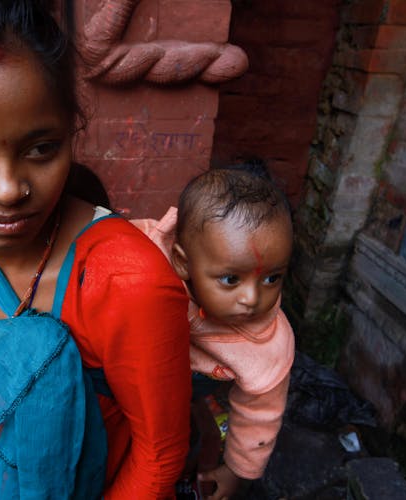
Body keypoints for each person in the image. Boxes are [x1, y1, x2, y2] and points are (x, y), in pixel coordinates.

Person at [0, 1, 191, 497]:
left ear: (71, 130)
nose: (9, 189)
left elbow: (159, 456)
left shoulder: (126, 282)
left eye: (40, 149)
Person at [133, 163, 295, 499]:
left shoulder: (268, 345)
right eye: (231, 279)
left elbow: (259, 414)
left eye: (271, 278)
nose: (252, 298)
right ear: (182, 262)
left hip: (198, 384)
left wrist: (237, 470)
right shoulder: (145, 252)